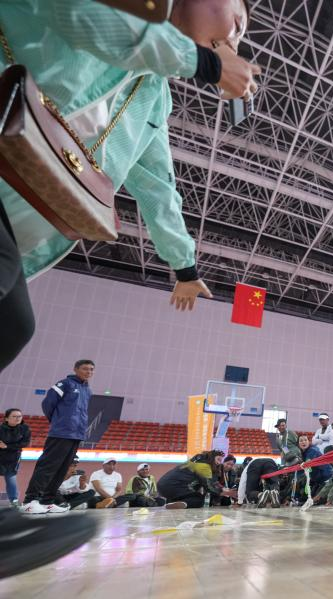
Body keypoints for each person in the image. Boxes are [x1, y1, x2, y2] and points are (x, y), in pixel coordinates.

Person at [0, 0, 262, 373]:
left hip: (18, 208)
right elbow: (80, 14)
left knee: (14, 326)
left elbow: (158, 186)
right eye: (236, 21)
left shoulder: (153, 95)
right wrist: (206, 64)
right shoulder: (124, 14)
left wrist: (184, 267)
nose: (235, 39)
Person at [21, 360, 94, 514]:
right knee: (47, 466)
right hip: (61, 432)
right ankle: (29, 501)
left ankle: (47, 501)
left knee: (62, 469)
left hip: (76, 434)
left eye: (91, 369)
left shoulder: (87, 390)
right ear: (76, 369)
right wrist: (58, 421)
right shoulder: (64, 384)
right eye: (85, 369)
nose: (89, 372)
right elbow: (47, 404)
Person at [157, 450, 235, 508]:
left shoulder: (195, 462)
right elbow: (209, 487)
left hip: (162, 486)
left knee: (187, 495)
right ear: (212, 458)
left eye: (220, 461)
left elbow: (213, 482)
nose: (219, 463)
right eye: (218, 459)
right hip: (174, 486)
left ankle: (172, 504)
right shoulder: (204, 466)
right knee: (200, 499)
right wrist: (223, 492)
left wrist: (223, 489)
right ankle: (185, 504)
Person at [0, 408, 29, 508]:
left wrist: (7, 446)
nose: (17, 418)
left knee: (10, 479)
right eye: (14, 416)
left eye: (19, 416)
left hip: (13, 458)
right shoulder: (0, 429)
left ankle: (14, 501)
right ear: (6, 418)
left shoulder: (24, 428)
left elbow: (25, 443)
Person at [292, 436, 333, 504]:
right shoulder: (302, 453)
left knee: (317, 501)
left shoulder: (313, 450)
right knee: (304, 498)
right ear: (298, 444)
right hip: (317, 480)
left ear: (309, 442)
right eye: (301, 441)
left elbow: (308, 462)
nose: (303, 442)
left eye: (305, 440)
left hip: (327, 479)